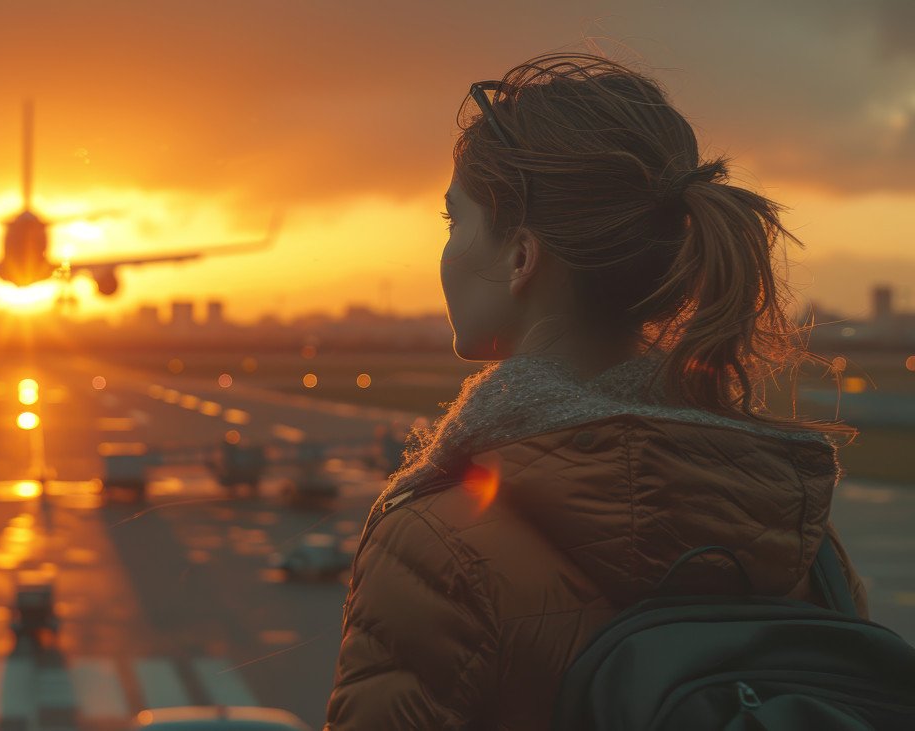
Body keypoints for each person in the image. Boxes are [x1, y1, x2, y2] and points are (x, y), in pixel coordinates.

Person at [323, 52, 867, 730]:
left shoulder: (433, 543)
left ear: (521, 257)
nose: (447, 251)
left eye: (452, 222)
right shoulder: (797, 530)